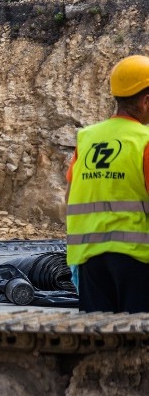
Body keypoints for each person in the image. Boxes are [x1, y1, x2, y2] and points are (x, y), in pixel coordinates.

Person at [66, 54, 149, 313]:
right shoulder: (144, 141)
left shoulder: (87, 139)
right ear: (146, 101)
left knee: (98, 343)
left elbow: (69, 195)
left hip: (90, 260)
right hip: (137, 261)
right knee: (138, 345)